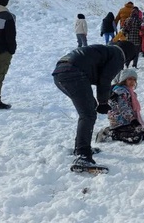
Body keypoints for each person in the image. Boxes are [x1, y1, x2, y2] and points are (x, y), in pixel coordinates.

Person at [52, 41, 137, 171]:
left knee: (89, 108)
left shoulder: (107, 51)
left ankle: (80, 147)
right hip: (73, 73)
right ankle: (83, 156)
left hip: (60, 71)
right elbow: (105, 78)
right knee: (88, 114)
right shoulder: (118, 55)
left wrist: (107, 95)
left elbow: (101, 77)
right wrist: (103, 102)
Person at [96, 68, 144, 144]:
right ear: (124, 80)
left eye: (134, 79)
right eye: (129, 79)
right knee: (136, 138)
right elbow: (124, 108)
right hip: (119, 122)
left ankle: (118, 131)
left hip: (127, 121)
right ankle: (110, 133)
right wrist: (134, 121)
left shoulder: (129, 92)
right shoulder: (120, 92)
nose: (132, 82)